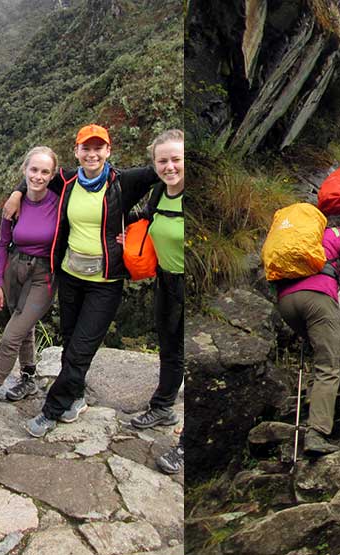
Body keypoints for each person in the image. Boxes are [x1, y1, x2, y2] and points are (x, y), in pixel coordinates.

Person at [4, 124, 161, 438]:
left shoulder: (123, 181)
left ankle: (51, 411)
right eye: (85, 148)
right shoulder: (66, 180)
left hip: (106, 281)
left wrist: (139, 219)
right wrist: (17, 192)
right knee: (70, 341)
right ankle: (75, 397)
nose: (92, 154)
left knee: (80, 351)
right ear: (76, 152)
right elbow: (37, 173)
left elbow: (162, 174)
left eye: (98, 148)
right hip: (71, 276)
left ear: (108, 150)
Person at [275, 215, 340, 455]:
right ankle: (316, 432)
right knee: (329, 364)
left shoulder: (306, 237)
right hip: (318, 299)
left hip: (286, 302)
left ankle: (313, 400)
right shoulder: (339, 234)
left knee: (320, 351)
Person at [0, 147, 59, 415]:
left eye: (45, 171)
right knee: (25, 328)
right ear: (25, 171)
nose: (38, 176)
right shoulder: (15, 205)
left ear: (53, 174)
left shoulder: (59, 203)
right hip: (15, 269)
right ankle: (28, 377)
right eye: (33, 170)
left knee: (12, 335)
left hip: (43, 275)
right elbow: (2, 244)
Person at [125, 130, 186, 473]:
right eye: (162, 161)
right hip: (166, 280)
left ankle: (185, 444)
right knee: (170, 349)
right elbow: (144, 216)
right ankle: (163, 406)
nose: (170, 166)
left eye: (176, 159)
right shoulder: (160, 192)